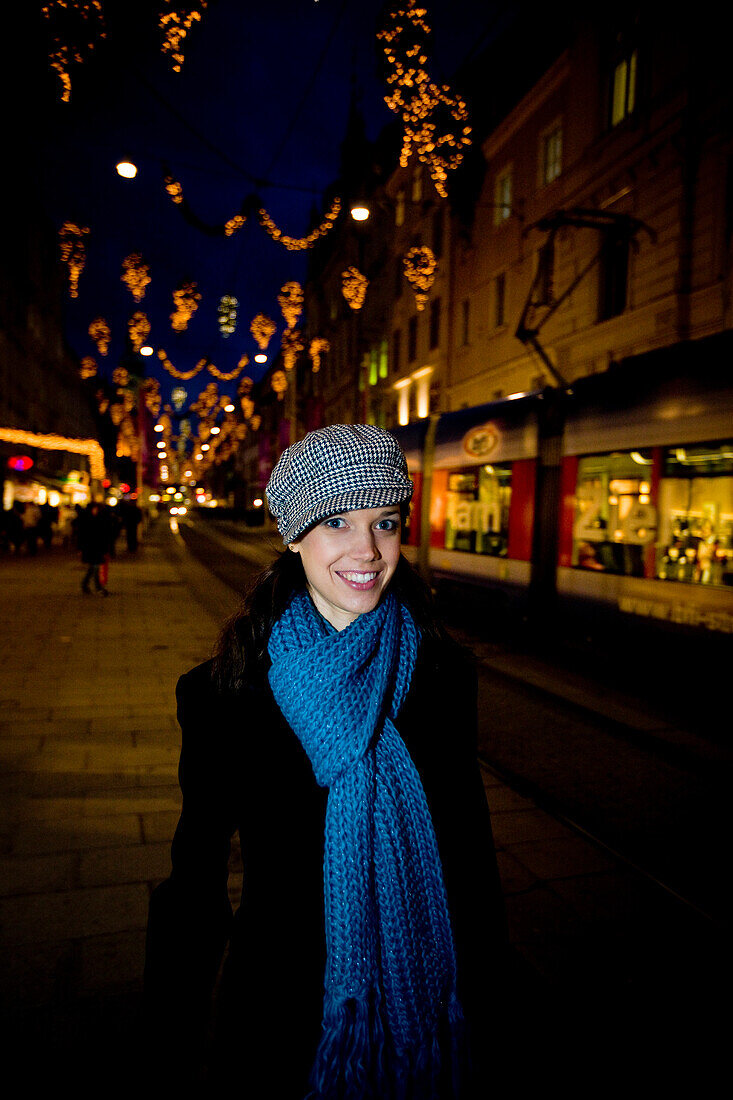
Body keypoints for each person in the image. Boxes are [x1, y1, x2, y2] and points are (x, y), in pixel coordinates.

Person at [144, 424, 507, 1098]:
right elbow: (193, 883)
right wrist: (168, 1040)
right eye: (337, 520)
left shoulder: (443, 673)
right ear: (293, 534)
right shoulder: (221, 695)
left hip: (426, 1009)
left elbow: (468, 853)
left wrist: (490, 1011)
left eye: (385, 522)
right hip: (274, 1016)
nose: (366, 550)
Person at [78, 501, 111, 595]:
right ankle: (98, 588)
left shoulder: (100, 519)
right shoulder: (86, 520)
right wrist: (80, 548)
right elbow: (81, 535)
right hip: (90, 548)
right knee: (95, 567)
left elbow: (104, 535)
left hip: (97, 548)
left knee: (93, 568)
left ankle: (85, 585)